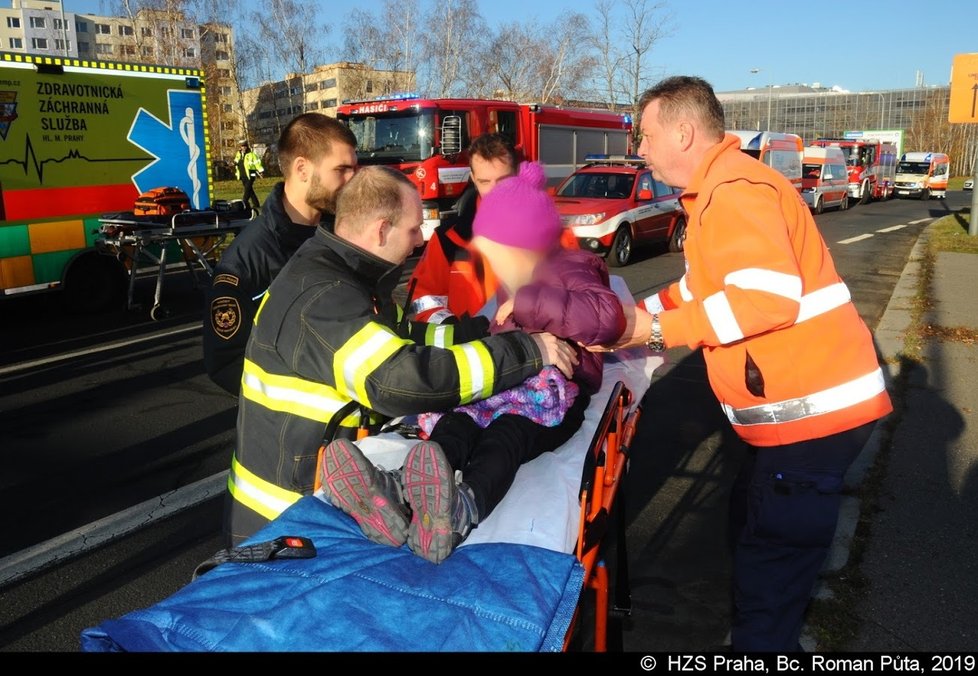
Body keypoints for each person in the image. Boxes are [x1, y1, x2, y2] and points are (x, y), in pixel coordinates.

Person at [595, 76, 893, 652]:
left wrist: (654, 332)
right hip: (795, 420)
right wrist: (630, 313)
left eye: (646, 135)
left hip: (812, 419)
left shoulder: (732, 190)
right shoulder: (719, 190)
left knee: (769, 568)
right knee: (752, 531)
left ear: (682, 132)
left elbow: (764, 300)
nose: (640, 149)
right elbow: (698, 289)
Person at [225, 165, 578, 545]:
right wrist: (526, 350)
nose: (420, 239)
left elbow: (409, 336)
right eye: (413, 229)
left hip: (312, 488)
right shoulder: (324, 297)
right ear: (381, 229)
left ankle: (397, 493)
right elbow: (402, 379)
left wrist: (482, 332)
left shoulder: (344, 276)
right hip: (284, 515)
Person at [321, 161, 626, 564]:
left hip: (557, 395)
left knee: (507, 434)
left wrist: (533, 300)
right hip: (516, 381)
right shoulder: (515, 279)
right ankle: (399, 493)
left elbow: (607, 316)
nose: (494, 264)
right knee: (459, 420)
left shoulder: (573, 265)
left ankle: (462, 509)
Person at [202, 114, 357, 396]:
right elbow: (226, 362)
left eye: (354, 169)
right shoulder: (246, 260)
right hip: (290, 430)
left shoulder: (342, 235)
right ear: (302, 169)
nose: (352, 180)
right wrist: (309, 399)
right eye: (342, 169)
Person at [407, 132, 578, 324]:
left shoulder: (555, 235)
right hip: (473, 349)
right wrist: (453, 328)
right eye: (485, 182)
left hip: (535, 348)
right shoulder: (449, 238)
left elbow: (579, 300)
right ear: (473, 178)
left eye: (503, 180)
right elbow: (425, 298)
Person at [234, 140, 264, 211]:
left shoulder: (252, 154)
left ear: (247, 147)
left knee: (247, 190)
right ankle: (256, 204)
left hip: (250, 175)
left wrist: (261, 171)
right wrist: (235, 162)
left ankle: (244, 203)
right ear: (240, 147)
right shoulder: (238, 154)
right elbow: (236, 161)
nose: (243, 147)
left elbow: (257, 163)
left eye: (245, 146)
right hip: (242, 175)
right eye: (242, 146)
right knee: (250, 190)